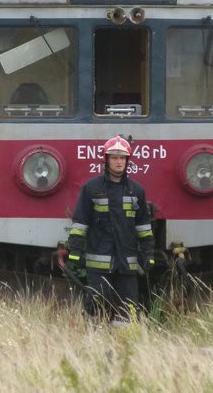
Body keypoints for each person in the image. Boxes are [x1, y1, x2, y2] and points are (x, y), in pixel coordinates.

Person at [66, 136, 154, 322]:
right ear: (106, 160)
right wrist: (74, 250)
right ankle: (94, 338)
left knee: (128, 306)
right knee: (97, 302)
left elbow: (143, 226)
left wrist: (148, 253)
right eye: (114, 158)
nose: (118, 162)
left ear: (127, 161)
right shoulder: (91, 188)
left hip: (127, 263)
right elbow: (81, 221)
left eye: (122, 158)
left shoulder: (136, 190)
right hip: (99, 262)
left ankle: (121, 341)